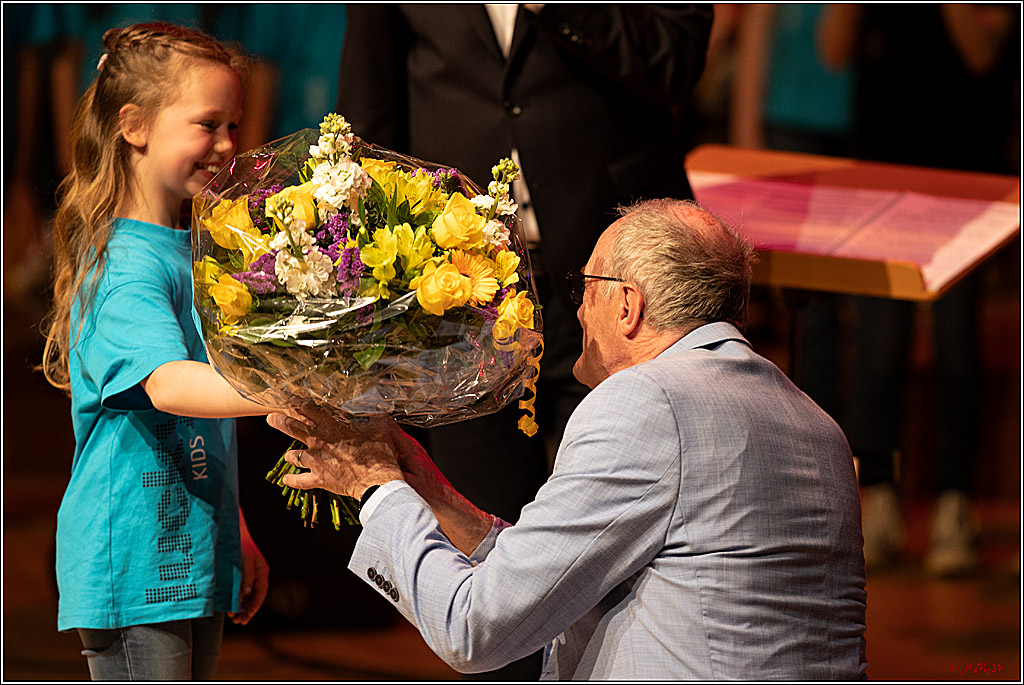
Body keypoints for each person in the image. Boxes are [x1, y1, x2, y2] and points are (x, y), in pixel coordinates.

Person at [268, 199, 868, 680]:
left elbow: (474, 630)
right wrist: (427, 490)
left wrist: (374, 488)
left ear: (628, 306)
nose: (576, 310)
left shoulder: (647, 400)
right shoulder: (817, 423)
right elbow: (569, 565)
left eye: (585, 287)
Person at [39, 22, 272, 680]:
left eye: (234, 124)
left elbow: (202, 423)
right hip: (134, 560)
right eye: (208, 124)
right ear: (134, 125)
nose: (228, 144)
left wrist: (236, 529)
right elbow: (171, 385)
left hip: (192, 550)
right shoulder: (120, 262)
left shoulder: (187, 246)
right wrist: (289, 387)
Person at [819, 4, 1019, 576]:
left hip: (963, 180)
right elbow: (834, 50)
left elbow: (984, 53)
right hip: (882, 179)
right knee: (878, 355)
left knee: (958, 346)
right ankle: (880, 498)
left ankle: (955, 506)